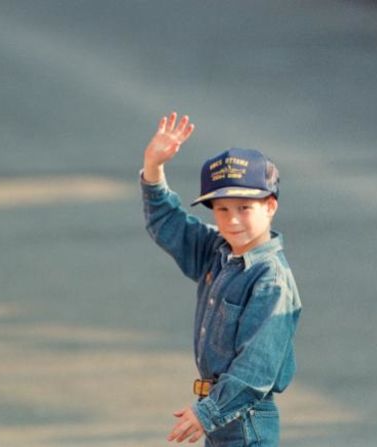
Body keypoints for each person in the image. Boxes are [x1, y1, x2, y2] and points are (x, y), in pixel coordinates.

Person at [140, 113, 302, 446]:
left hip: (246, 420)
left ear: (270, 206)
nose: (233, 220)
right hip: (221, 414)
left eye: (245, 208)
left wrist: (207, 413)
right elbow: (168, 225)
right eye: (222, 209)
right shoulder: (219, 251)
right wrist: (153, 167)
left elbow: (256, 367)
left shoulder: (269, 279)